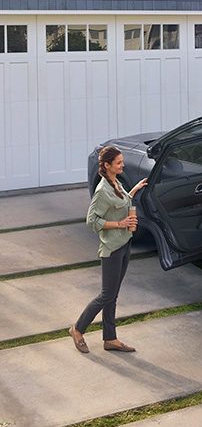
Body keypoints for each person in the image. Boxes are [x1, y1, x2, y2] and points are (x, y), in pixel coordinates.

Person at [69, 146, 147, 354]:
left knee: (113, 294)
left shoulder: (115, 182)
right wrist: (120, 224)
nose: (122, 165)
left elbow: (120, 203)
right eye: (119, 163)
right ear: (107, 165)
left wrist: (134, 190)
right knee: (106, 295)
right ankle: (77, 329)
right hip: (112, 248)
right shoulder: (102, 190)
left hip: (124, 244)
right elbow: (92, 220)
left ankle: (110, 338)